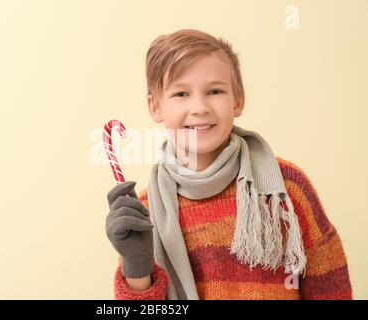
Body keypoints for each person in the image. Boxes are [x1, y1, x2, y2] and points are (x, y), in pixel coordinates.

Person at [106, 29, 352, 300]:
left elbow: (331, 285)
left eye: (215, 91)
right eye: (180, 94)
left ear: (238, 100)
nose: (199, 107)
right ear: (155, 107)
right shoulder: (146, 211)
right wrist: (136, 266)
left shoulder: (284, 187)